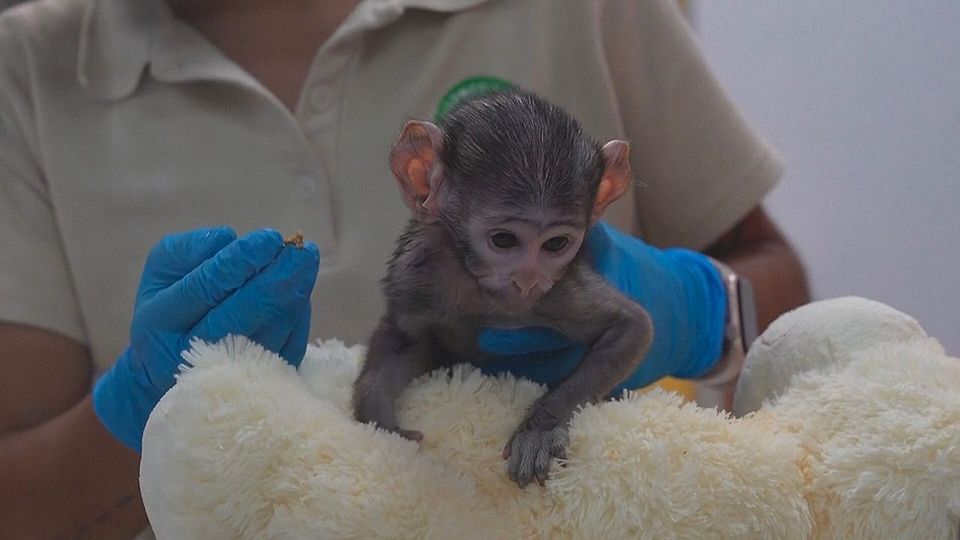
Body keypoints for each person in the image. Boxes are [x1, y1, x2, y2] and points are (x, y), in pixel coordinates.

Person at [0, 0, 809, 537]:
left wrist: (701, 309)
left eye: (555, 246)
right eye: (506, 243)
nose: (530, 278)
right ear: (423, 180)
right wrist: (142, 413)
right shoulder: (26, 69)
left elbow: (787, 298)